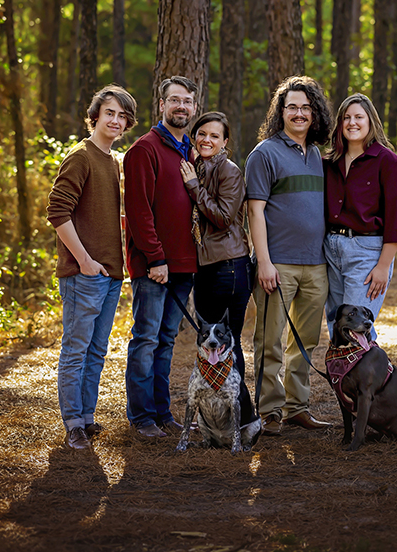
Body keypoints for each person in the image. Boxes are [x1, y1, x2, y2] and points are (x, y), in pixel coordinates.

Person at [47, 84, 137, 450]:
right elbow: (57, 210)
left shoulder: (112, 161)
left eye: (122, 116)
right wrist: (84, 260)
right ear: (96, 115)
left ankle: (86, 416)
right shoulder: (81, 156)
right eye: (110, 113)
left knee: (97, 351)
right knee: (76, 349)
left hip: (111, 274)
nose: (115, 120)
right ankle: (72, 424)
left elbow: (96, 212)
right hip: (84, 273)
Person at [245, 75, 334, 435]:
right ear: (280, 113)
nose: (299, 113)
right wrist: (264, 262)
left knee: (305, 342)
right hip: (277, 264)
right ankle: (269, 411)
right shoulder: (264, 153)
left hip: (316, 265)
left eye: (305, 107)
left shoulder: (317, 155)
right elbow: (254, 211)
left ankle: (298, 407)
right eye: (292, 107)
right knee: (270, 340)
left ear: (315, 113)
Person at [123, 76, 199, 439]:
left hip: (185, 266)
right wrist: (155, 258)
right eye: (174, 100)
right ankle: (141, 417)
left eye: (187, 101)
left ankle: (162, 412)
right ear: (162, 105)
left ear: (194, 108)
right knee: (146, 339)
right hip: (155, 266)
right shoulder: (144, 149)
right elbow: (138, 212)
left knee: (166, 341)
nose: (181, 106)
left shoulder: (192, 152)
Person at [178, 112, 255, 401]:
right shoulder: (197, 167)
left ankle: (242, 413)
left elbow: (223, 218)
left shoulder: (229, 170)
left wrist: (194, 189)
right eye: (202, 134)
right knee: (210, 346)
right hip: (207, 268)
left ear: (224, 142)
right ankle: (214, 413)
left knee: (227, 343)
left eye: (214, 136)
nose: (206, 140)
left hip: (230, 267)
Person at [323, 93, 397, 340]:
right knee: (337, 329)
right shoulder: (330, 162)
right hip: (330, 249)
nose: (352, 123)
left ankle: (370, 378)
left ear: (370, 121)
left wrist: (383, 267)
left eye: (359, 117)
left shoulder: (389, 163)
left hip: (366, 253)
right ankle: (343, 379)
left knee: (358, 328)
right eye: (346, 118)